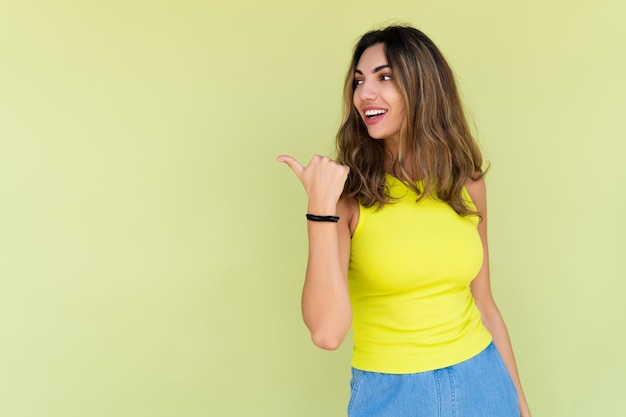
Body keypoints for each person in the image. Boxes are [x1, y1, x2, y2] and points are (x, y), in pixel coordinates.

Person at [277, 25, 531, 417]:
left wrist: (520, 402)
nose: (365, 93)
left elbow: (485, 304)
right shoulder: (347, 197)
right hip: (394, 397)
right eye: (359, 81)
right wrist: (320, 210)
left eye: (385, 77)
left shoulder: (465, 182)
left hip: (484, 384)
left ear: (423, 88)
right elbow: (327, 333)